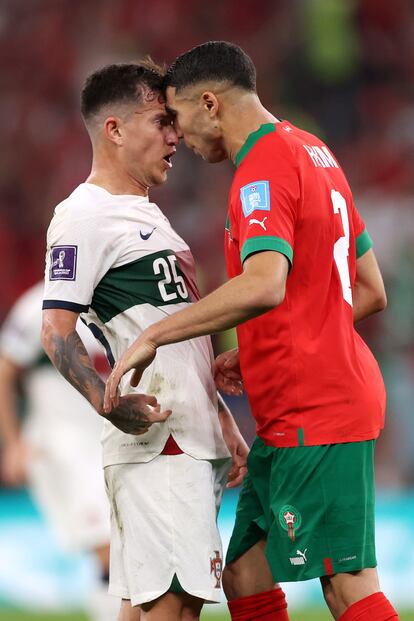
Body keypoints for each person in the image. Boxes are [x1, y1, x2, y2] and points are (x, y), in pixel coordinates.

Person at [104, 42, 400, 621]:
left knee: (347, 585)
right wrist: (265, 344)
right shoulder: (314, 152)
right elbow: (365, 289)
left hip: (319, 407)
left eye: (179, 117)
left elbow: (265, 283)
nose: (178, 138)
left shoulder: (261, 170)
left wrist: (156, 335)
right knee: (243, 573)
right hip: (295, 410)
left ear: (210, 104)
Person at [41, 61, 248, 621]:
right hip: (161, 446)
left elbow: (180, 341)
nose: (175, 135)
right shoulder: (82, 217)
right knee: (174, 613)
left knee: (145, 612)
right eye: (161, 121)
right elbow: (56, 331)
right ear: (114, 129)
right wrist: (109, 402)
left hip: (188, 439)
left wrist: (222, 419)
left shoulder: (150, 218)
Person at [0, 281, 118, 621]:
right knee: (110, 547)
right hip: (65, 446)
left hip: (110, 443)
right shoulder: (39, 303)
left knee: (124, 552)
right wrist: (14, 443)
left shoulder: (115, 299)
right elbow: (6, 370)